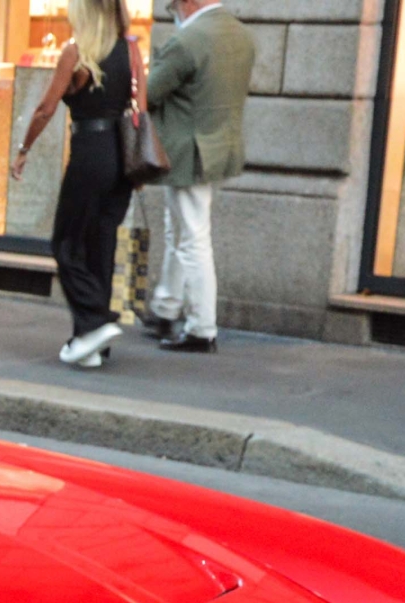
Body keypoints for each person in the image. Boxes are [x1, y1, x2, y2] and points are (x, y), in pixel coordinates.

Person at [11, 0, 138, 368]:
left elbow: (45, 108)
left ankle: (96, 322)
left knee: (66, 244)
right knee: (100, 245)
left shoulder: (77, 53)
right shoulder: (128, 49)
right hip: (122, 157)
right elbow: (139, 105)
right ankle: (91, 343)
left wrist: (23, 150)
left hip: (91, 152)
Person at [144, 0, 254, 353]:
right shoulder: (240, 34)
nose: (173, 11)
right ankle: (166, 307)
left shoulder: (187, 41)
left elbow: (147, 93)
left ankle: (201, 328)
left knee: (191, 238)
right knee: (180, 230)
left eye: (174, 5)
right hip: (218, 146)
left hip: (188, 151)